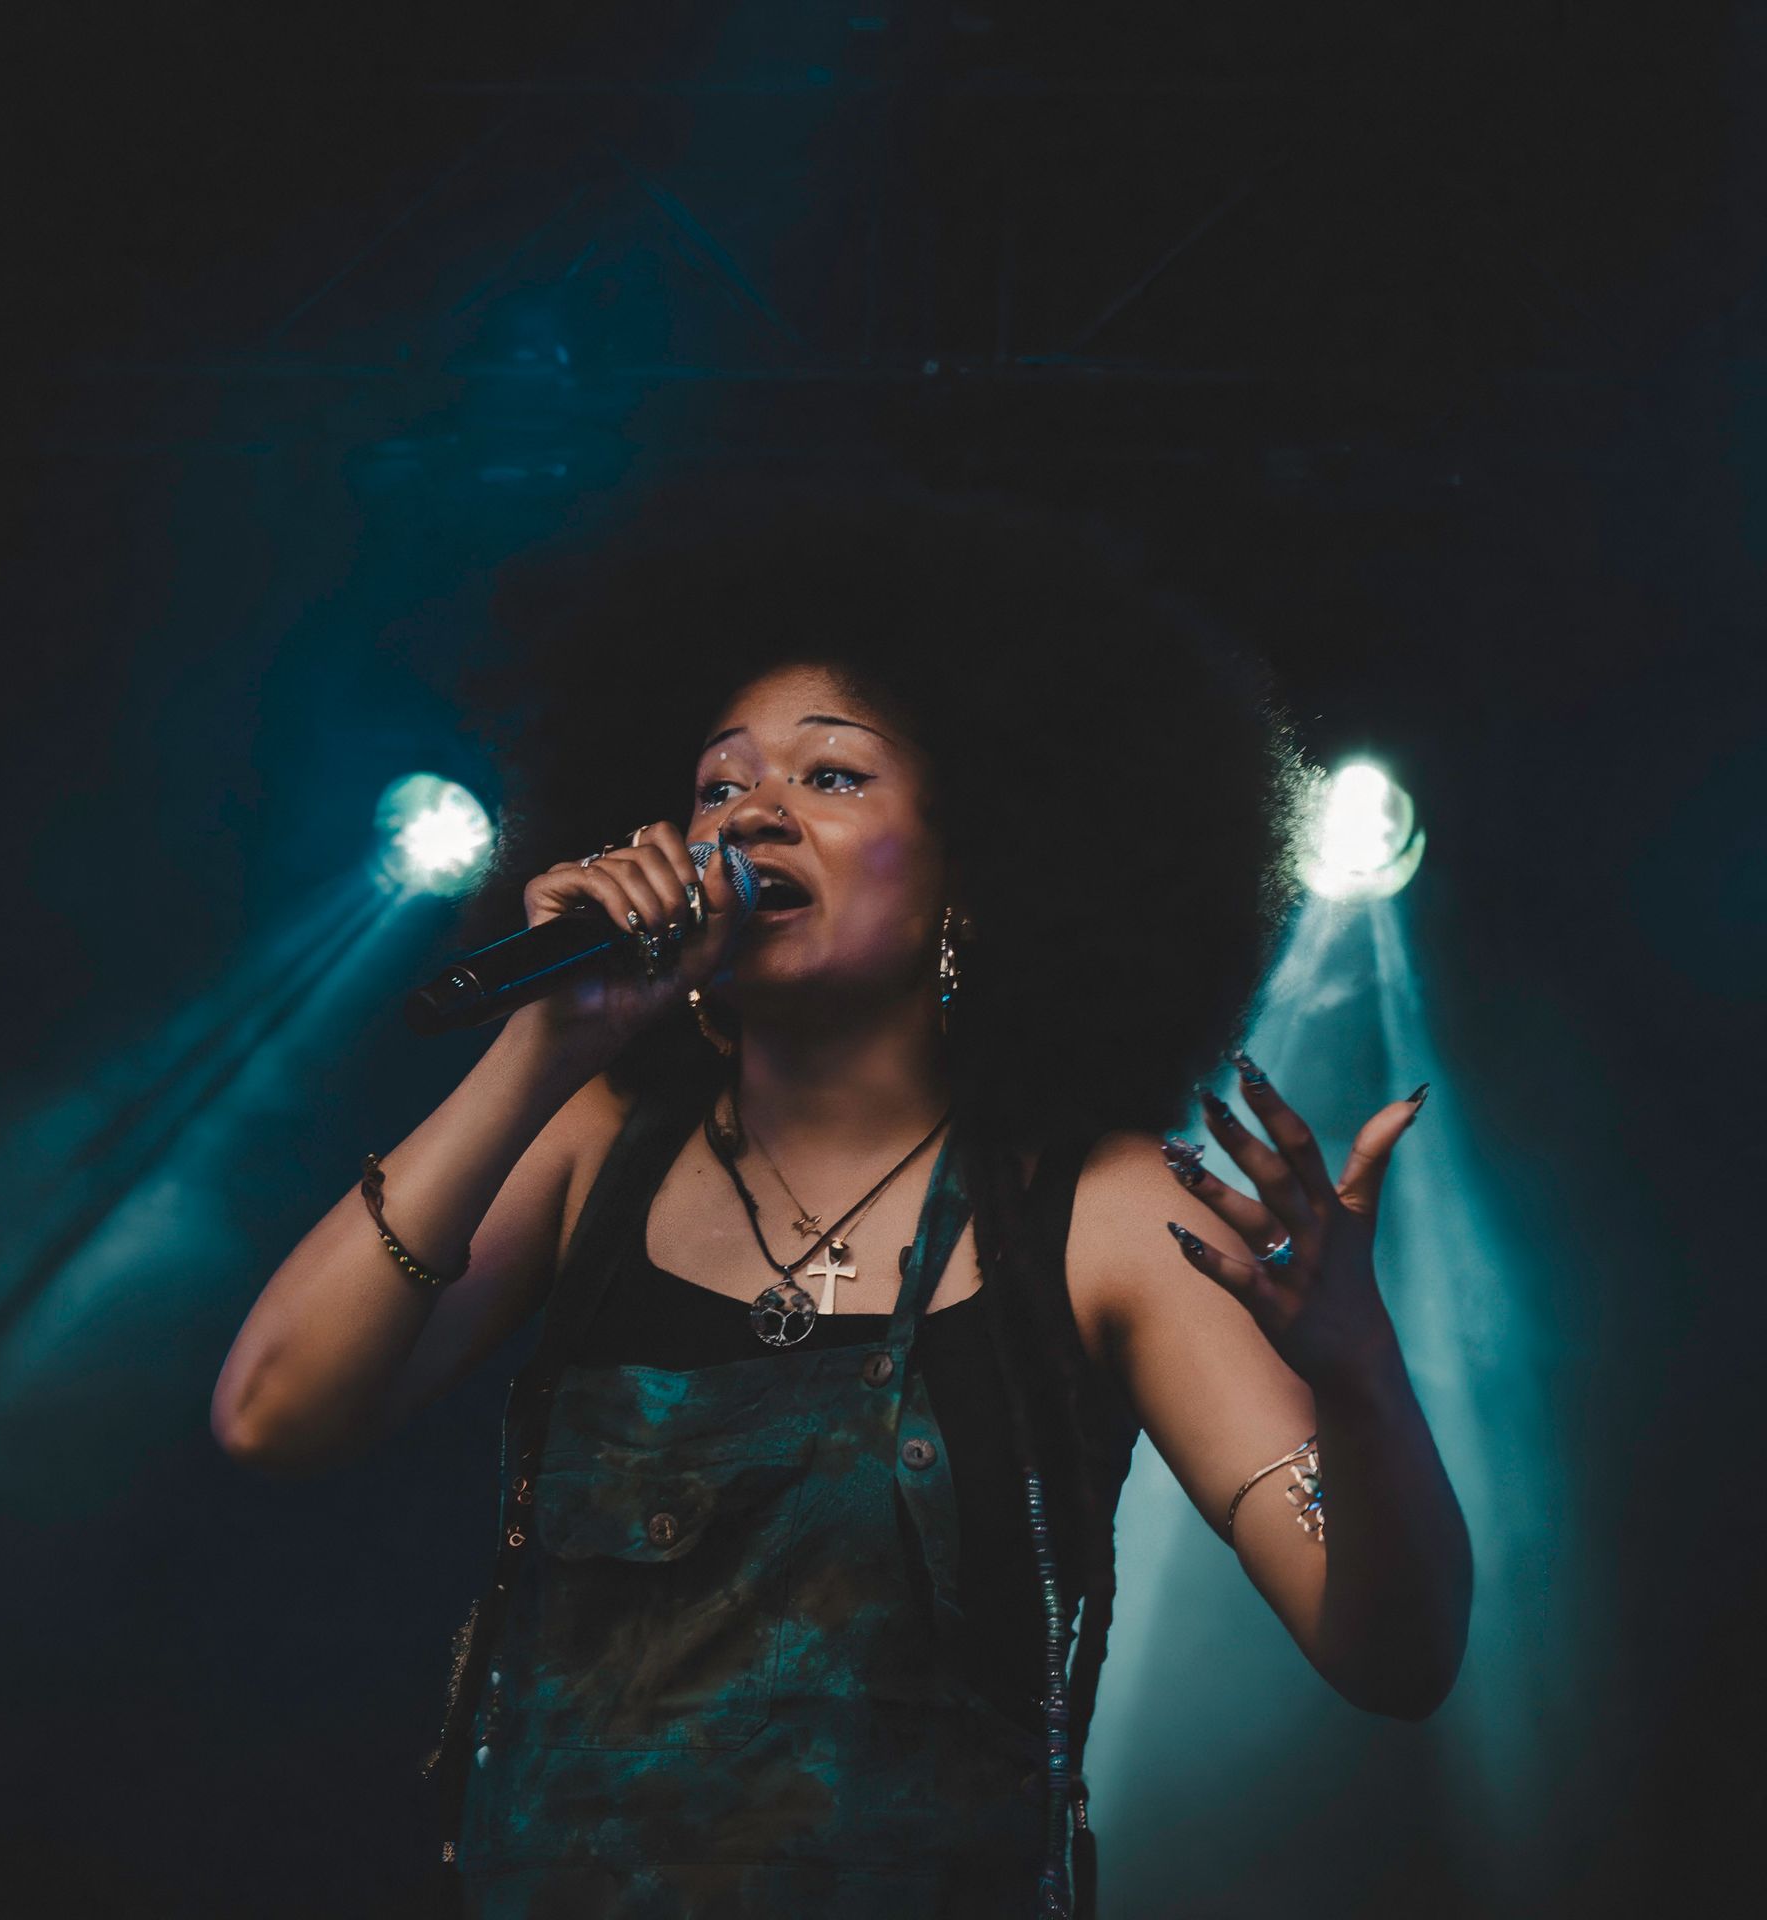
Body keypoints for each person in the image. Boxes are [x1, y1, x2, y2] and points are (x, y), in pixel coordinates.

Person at [212, 476, 1473, 1918]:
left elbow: (1394, 1657)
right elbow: (273, 1415)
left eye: (832, 775)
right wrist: (543, 1045)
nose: (753, 812)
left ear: (969, 872)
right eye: (717, 783)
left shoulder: (1103, 1212)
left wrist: (1359, 1374)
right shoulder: (586, 1145)